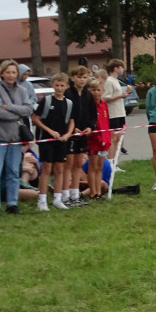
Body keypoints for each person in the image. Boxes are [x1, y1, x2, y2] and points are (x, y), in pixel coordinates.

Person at [0, 59, 36, 215]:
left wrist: (9, 107)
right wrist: (16, 114)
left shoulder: (22, 90)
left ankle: (12, 204)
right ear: (2, 73)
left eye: (13, 72)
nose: (10, 75)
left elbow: (29, 109)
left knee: (13, 172)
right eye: (7, 72)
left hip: (15, 138)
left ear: (17, 74)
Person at [31, 73, 74, 211]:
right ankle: (42, 200)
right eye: (57, 85)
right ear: (52, 85)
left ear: (66, 86)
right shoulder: (46, 101)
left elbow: (71, 121)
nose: (59, 88)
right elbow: (35, 118)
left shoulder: (68, 103)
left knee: (59, 169)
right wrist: (50, 131)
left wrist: (68, 134)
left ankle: (57, 198)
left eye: (62, 86)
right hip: (47, 139)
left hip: (61, 141)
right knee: (47, 169)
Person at [63, 66, 94, 207]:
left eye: (84, 77)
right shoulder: (68, 94)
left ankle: (75, 195)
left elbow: (93, 115)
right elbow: (65, 114)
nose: (82, 80)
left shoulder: (88, 95)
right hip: (70, 134)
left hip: (83, 135)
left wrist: (90, 127)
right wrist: (71, 128)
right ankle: (64, 195)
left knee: (78, 164)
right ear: (73, 78)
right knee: (68, 165)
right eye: (79, 77)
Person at [102, 59, 132, 171]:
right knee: (113, 139)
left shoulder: (116, 80)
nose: (123, 69)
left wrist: (124, 95)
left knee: (119, 138)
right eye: (121, 67)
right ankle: (110, 163)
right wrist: (120, 96)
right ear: (116, 68)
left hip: (120, 113)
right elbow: (105, 98)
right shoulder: (109, 81)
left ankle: (115, 162)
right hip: (113, 114)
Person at [85, 78, 111, 200]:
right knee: (93, 166)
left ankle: (98, 193)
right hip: (94, 141)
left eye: (98, 90)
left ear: (103, 90)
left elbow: (106, 123)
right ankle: (93, 192)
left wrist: (107, 138)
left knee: (100, 166)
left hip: (104, 141)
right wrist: (97, 136)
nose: (96, 92)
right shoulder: (90, 105)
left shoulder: (104, 105)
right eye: (93, 90)